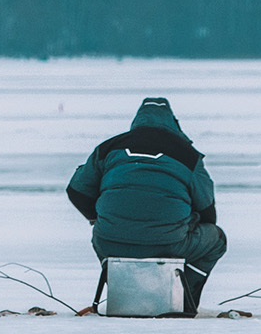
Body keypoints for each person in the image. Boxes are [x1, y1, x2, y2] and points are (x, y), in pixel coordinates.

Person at [67, 97, 226, 315]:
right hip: (169, 243)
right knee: (216, 240)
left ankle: (126, 296)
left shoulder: (108, 148)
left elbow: (76, 191)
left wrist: (97, 217)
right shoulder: (188, 156)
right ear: (173, 123)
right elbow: (208, 210)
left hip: (110, 242)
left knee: (104, 235)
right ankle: (183, 301)